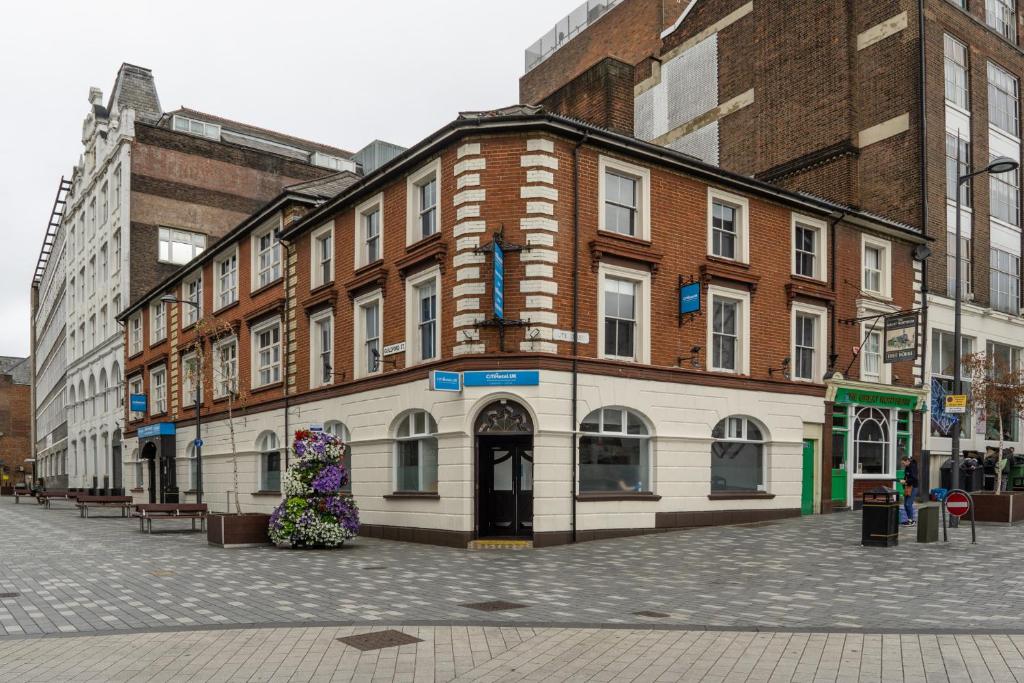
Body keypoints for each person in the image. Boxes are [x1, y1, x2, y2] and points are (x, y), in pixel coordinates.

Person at [901, 455, 919, 526]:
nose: (903, 465)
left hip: (913, 487)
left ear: (907, 461)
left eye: (903, 463)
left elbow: (914, 478)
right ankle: (909, 520)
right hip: (908, 487)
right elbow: (906, 476)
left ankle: (912, 521)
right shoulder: (907, 467)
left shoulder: (913, 467)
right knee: (905, 504)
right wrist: (904, 481)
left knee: (908, 504)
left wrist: (906, 481)